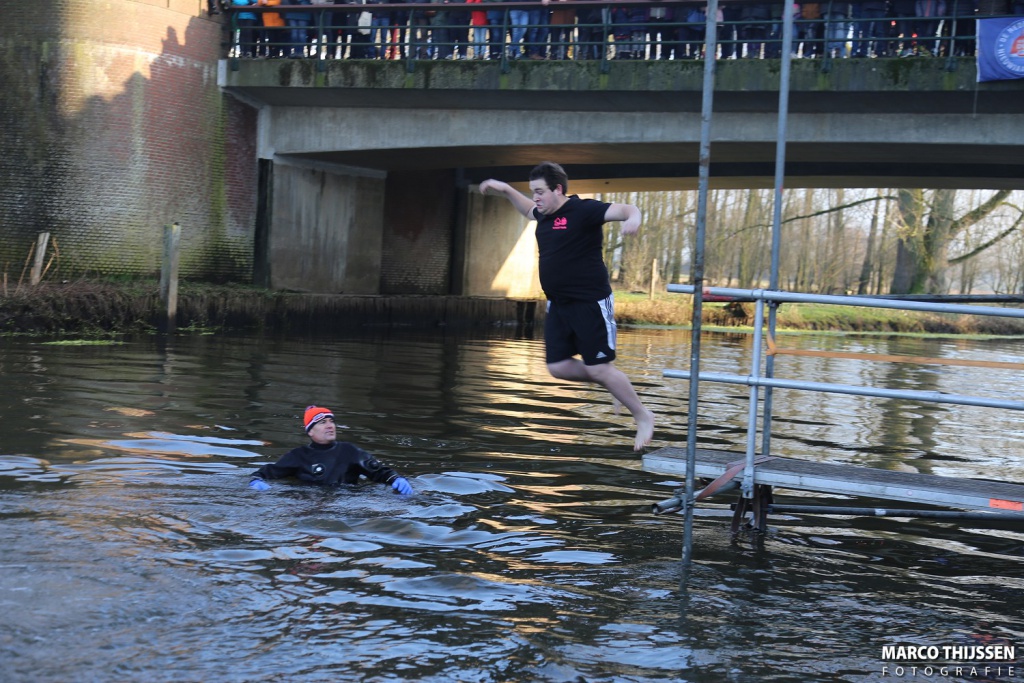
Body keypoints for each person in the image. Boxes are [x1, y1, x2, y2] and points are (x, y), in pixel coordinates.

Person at [478, 162, 656, 452]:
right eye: (533, 192)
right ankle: (612, 381)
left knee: (599, 368)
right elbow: (527, 209)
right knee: (557, 367)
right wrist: (507, 190)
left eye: (540, 192)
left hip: (590, 303)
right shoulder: (543, 214)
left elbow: (627, 209)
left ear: (558, 189)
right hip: (559, 304)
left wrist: (634, 219)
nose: (535, 198)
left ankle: (643, 415)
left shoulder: (583, 210)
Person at [248, 405, 414, 494]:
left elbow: (379, 471)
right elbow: (266, 472)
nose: (330, 426)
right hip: (311, 504)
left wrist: (396, 479)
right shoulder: (298, 456)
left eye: (331, 421)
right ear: (310, 431)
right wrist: (256, 481)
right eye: (323, 422)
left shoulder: (349, 451)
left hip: (348, 502)